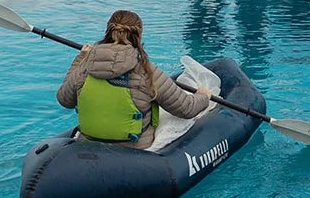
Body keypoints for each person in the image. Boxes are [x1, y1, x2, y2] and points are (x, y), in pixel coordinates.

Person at [57, 9, 212, 151]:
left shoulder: (85, 67)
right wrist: (203, 96)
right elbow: (186, 109)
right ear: (139, 36)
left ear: (107, 32)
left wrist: (81, 58)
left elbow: (65, 100)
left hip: (87, 145)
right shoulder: (148, 72)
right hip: (134, 151)